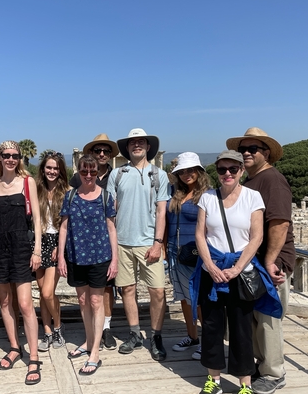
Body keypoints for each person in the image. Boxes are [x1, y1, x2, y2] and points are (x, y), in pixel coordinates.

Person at [192, 150, 280, 394]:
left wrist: (237, 268)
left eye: (233, 169)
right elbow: (200, 234)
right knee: (211, 326)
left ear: (241, 171)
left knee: (242, 328)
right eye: (222, 170)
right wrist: (209, 265)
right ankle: (214, 379)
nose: (227, 174)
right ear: (216, 172)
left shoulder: (253, 197)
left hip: (240, 271)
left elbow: (256, 237)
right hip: (213, 269)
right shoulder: (207, 197)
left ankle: (244, 384)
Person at [226, 127, 296, 394]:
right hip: (252, 262)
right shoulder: (252, 181)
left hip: (270, 263)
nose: (246, 153)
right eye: (243, 149)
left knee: (268, 318)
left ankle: (273, 372)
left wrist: (270, 261)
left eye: (252, 149)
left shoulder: (272, 180)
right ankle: (262, 364)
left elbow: (279, 223)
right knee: (254, 318)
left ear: (266, 153)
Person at [107, 128, 171, 361]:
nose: (137, 145)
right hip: (123, 242)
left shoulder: (159, 175)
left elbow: (161, 211)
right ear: (128, 147)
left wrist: (158, 243)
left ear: (148, 146)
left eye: (141, 141)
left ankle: (156, 335)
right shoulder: (118, 174)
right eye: (133, 142)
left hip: (148, 242)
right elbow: (110, 211)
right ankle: (134, 333)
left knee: (157, 291)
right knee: (127, 289)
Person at [0, 140, 43, 385]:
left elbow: (38, 221)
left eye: (15, 155)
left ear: (20, 158)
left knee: (25, 304)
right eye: (6, 155)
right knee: (5, 301)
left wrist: (37, 250)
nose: (10, 159)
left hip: (21, 246)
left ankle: (33, 356)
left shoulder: (28, 183)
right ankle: (14, 347)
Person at [59, 155, 118, 375]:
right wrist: (61, 257)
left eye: (93, 172)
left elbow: (112, 229)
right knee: (83, 300)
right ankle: (88, 340)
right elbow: (64, 227)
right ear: (79, 171)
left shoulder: (106, 197)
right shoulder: (71, 196)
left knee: (96, 301)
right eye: (84, 172)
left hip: (100, 257)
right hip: (76, 256)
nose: (89, 176)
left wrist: (115, 259)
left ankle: (95, 352)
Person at [69, 133, 119, 349]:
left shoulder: (116, 175)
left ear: (110, 155)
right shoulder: (77, 180)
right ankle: (94, 336)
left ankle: (106, 328)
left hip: (106, 241)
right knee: (89, 296)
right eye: (98, 150)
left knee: (107, 289)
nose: (101, 154)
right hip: (83, 247)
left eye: (105, 151)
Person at [165, 152, 210, 359]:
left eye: (190, 170)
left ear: (199, 171)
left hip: (195, 252)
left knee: (198, 298)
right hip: (175, 251)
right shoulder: (176, 193)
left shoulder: (208, 195)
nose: (186, 174)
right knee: (183, 297)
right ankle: (192, 337)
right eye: (182, 171)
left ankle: (208, 340)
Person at [35, 151, 68, 352]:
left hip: (57, 241)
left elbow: (67, 223)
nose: (52, 171)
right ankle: (47, 332)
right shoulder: (36, 190)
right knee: (42, 292)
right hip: (39, 242)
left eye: (56, 168)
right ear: (43, 168)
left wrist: (60, 246)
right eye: (49, 167)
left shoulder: (66, 191)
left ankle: (57, 327)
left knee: (48, 292)